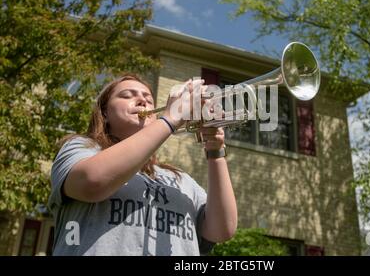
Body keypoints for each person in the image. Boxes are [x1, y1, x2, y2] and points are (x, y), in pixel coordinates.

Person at [47, 74, 238, 255]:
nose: (142, 100)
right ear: (104, 112)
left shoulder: (181, 179)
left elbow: (221, 230)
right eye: (127, 95)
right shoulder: (81, 149)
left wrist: (215, 150)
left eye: (148, 97)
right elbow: (92, 181)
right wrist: (170, 119)